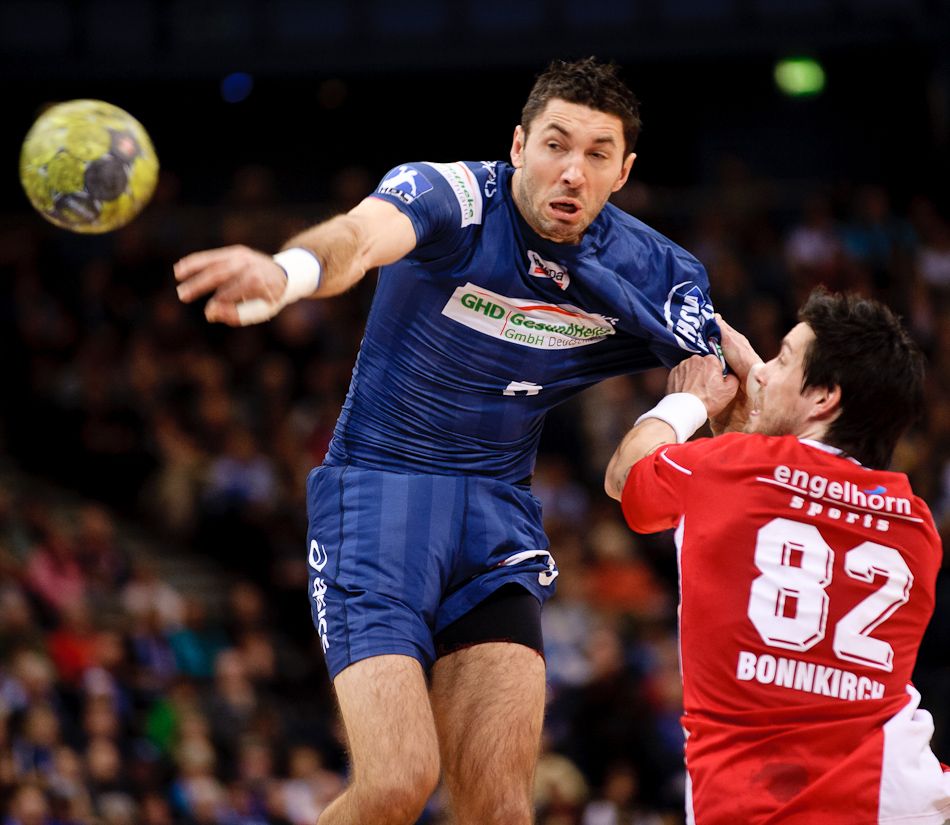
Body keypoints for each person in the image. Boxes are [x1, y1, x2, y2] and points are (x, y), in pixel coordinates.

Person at [175, 57, 722, 825]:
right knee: (397, 781)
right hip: (379, 498)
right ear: (519, 145)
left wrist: (679, 415)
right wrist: (289, 272)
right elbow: (360, 236)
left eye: (598, 154)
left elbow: (727, 367)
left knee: (502, 806)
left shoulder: (655, 268)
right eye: (556, 145)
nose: (573, 170)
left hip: (497, 512)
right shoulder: (453, 196)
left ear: (623, 171)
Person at [605, 288, 950, 825]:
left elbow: (625, 476)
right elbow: (786, 500)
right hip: (902, 795)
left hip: (759, 803)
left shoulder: (728, 468)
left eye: (783, 358)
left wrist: (689, 401)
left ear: (824, 397)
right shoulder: (918, 525)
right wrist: (760, 416)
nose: (762, 371)